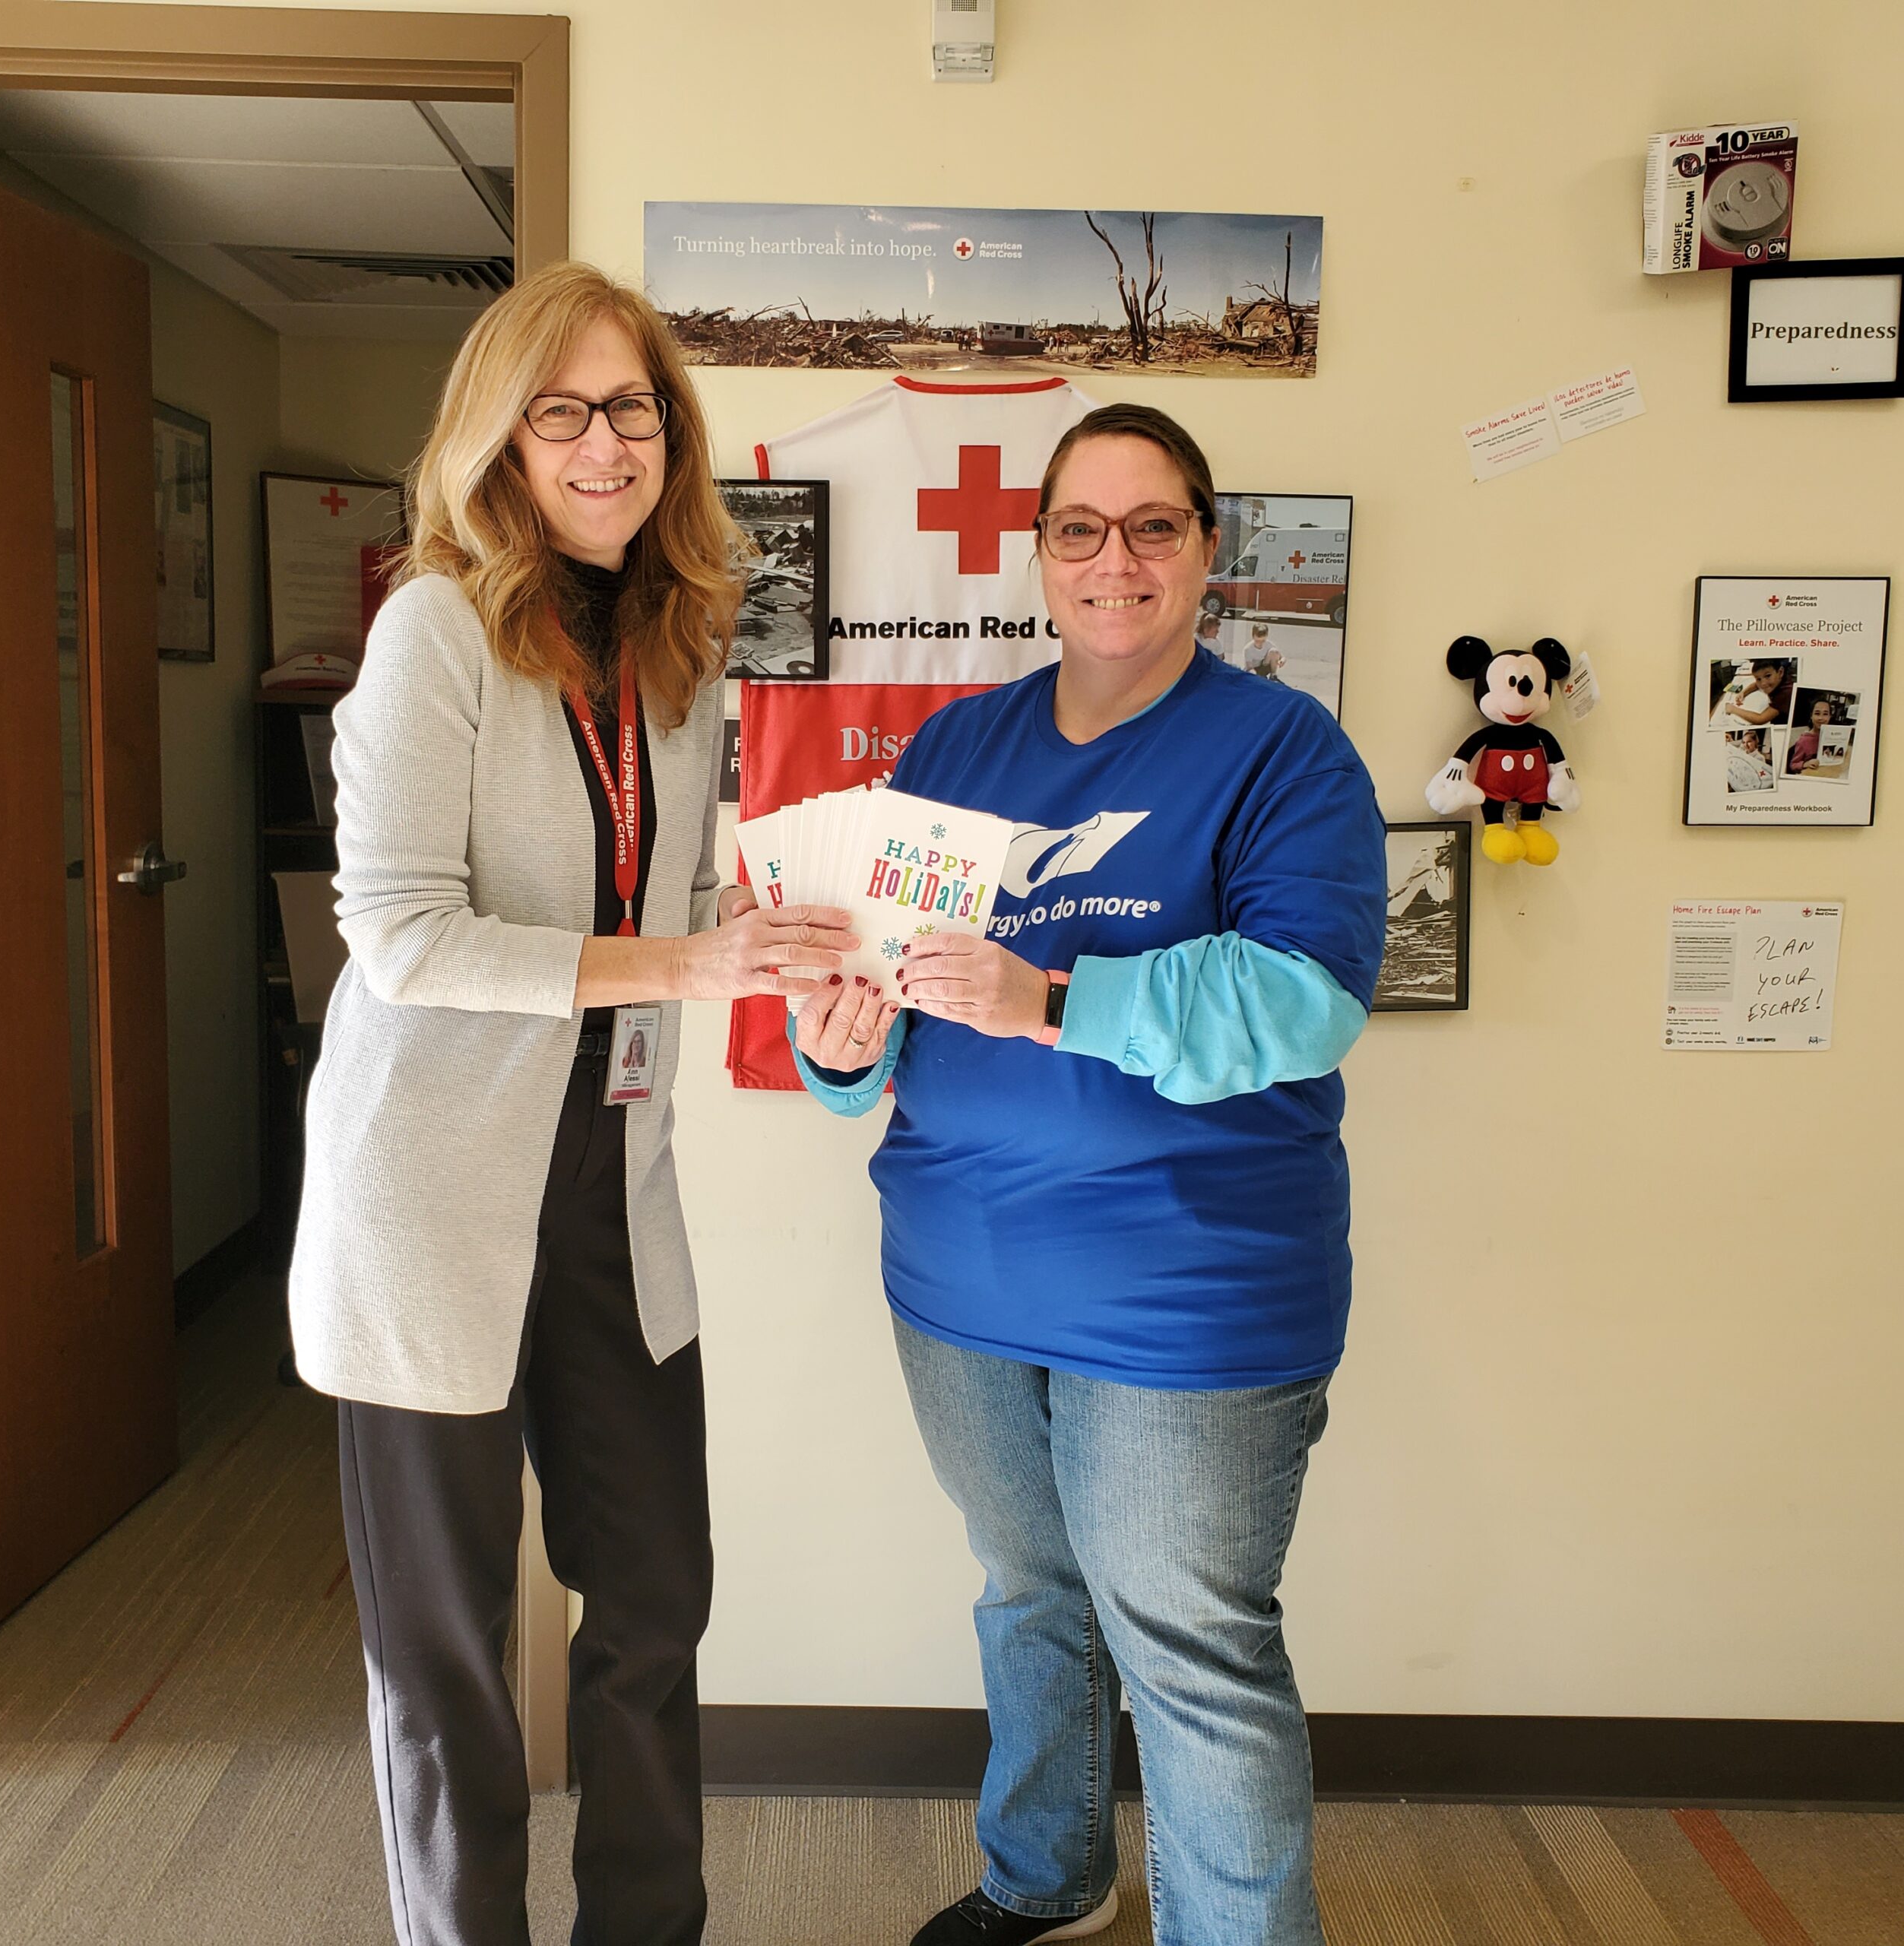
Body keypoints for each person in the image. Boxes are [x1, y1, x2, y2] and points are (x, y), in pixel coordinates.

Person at [289, 261, 854, 1946]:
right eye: (566, 408)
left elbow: (690, 926)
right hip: (431, 1210)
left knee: (654, 1606)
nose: (607, 441)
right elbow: (392, 933)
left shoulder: (682, 656)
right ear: (500, 438)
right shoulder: (432, 626)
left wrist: (806, 965)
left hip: (614, 1192)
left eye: (637, 407)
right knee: (449, 1650)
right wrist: (686, 965)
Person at [790, 404, 1385, 1946]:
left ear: (1206, 546)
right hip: (958, 1277)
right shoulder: (954, 748)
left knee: (1190, 1648)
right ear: (1035, 550)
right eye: (1077, 527)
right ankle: (1045, 1879)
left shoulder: (1283, 751)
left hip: (1187, 1295)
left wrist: (1052, 999)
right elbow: (881, 1014)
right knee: (1027, 1592)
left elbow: (1303, 1001)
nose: (1111, 559)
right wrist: (840, 1044)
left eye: (1151, 525)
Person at [1722, 658, 1793, 729]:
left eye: (1768, 676)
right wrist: (1743, 693)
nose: (1763, 683)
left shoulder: (1786, 693)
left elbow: (1760, 719)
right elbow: (1756, 685)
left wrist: (1733, 709)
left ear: (1780, 672)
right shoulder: (1778, 680)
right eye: (1759, 679)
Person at [1785, 696, 1834, 773]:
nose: (1821, 718)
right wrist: (1805, 764)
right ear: (1811, 716)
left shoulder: (1832, 737)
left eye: (1825, 714)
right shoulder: (1804, 741)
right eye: (1817, 713)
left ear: (1830, 716)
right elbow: (1793, 765)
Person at [1725, 727, 1775, 792]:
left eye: (1749, 742)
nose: (1746, 745)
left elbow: (1759, 777)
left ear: (1755, 742)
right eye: (1744, 742)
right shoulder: (1742, 753)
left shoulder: (1759, 757)